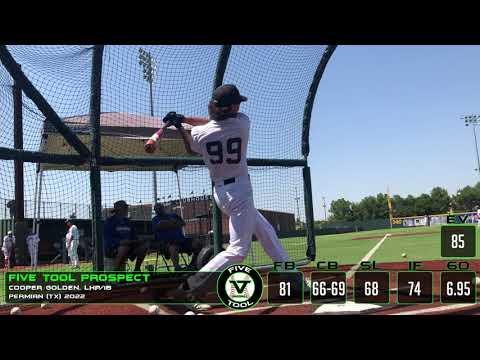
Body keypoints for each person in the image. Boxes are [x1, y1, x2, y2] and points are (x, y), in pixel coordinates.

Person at [170, 84, 290, 276]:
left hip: (221, 193)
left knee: (266, 232)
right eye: (236, 104)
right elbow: (214, 121)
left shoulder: (199, 134)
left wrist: (180, 124)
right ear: (232, 108)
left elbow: (192, 146)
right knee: (238, 250)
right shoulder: (242, 124)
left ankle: (291, 276)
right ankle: (193, 284)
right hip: (240, 191)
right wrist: (185, 120)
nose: (239, 107)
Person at [104, 200, 148, 271]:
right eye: (125, 208)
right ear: (118, 210)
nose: (127, 209)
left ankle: (137, 269)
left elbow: (134, 236)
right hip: (113, 248)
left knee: (144, 246)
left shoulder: (128, 222)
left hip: (128, 246)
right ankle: (115, 271)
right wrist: (120, 242)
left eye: (126, 208)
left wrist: (138, 241)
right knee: (124, 247)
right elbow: (108, 239)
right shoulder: (109, 221)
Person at [151, 203, 197, 271]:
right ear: (155, 210)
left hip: (182, 241)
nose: (159, 210)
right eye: (157, 209)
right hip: (166, 244)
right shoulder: (155, 219)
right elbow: (160, 226)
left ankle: (192, 264)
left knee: (198, 243)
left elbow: (182, 223)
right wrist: (174, 223)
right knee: (173, 247)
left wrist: (167, 224)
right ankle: (177, 268)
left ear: (163, 207)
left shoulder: (173, 215)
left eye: (160, 208)